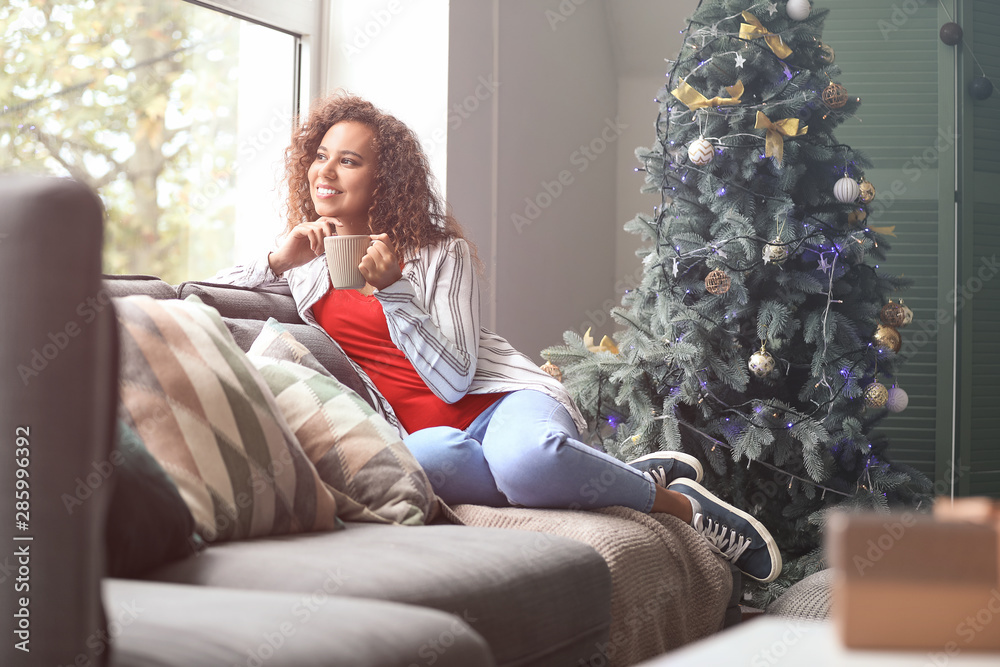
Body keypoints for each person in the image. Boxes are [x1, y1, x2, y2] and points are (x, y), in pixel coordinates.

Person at [210, 92, 781, 583]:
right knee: (420, 462)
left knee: (527, 462)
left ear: (383, 179)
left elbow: (457, 378)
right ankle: (613, 470)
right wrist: (274, 258)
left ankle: (680, 504)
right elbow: (206, 298)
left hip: (500, 402)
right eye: (321, 156)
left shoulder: (439, 254)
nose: (325, 172)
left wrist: (394, 292)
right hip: (431, 436)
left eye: (349, 161)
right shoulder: (308, 263)